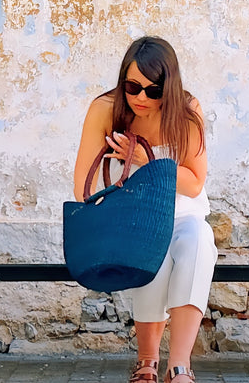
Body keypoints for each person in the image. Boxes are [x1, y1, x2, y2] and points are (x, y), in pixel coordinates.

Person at [73, 36, 216, 383]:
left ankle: (179, 366)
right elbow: (83, 187)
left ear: (170, 88)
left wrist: (144, 159)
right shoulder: (105, 109)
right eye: (133, 87)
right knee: (153, 248)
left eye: (154, 91)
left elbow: (195, 182)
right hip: (133, 215)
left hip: (184, 212)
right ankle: (147, 360)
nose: (141, 98)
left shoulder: (186, 110)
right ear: (123, 81)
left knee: (199, 242)